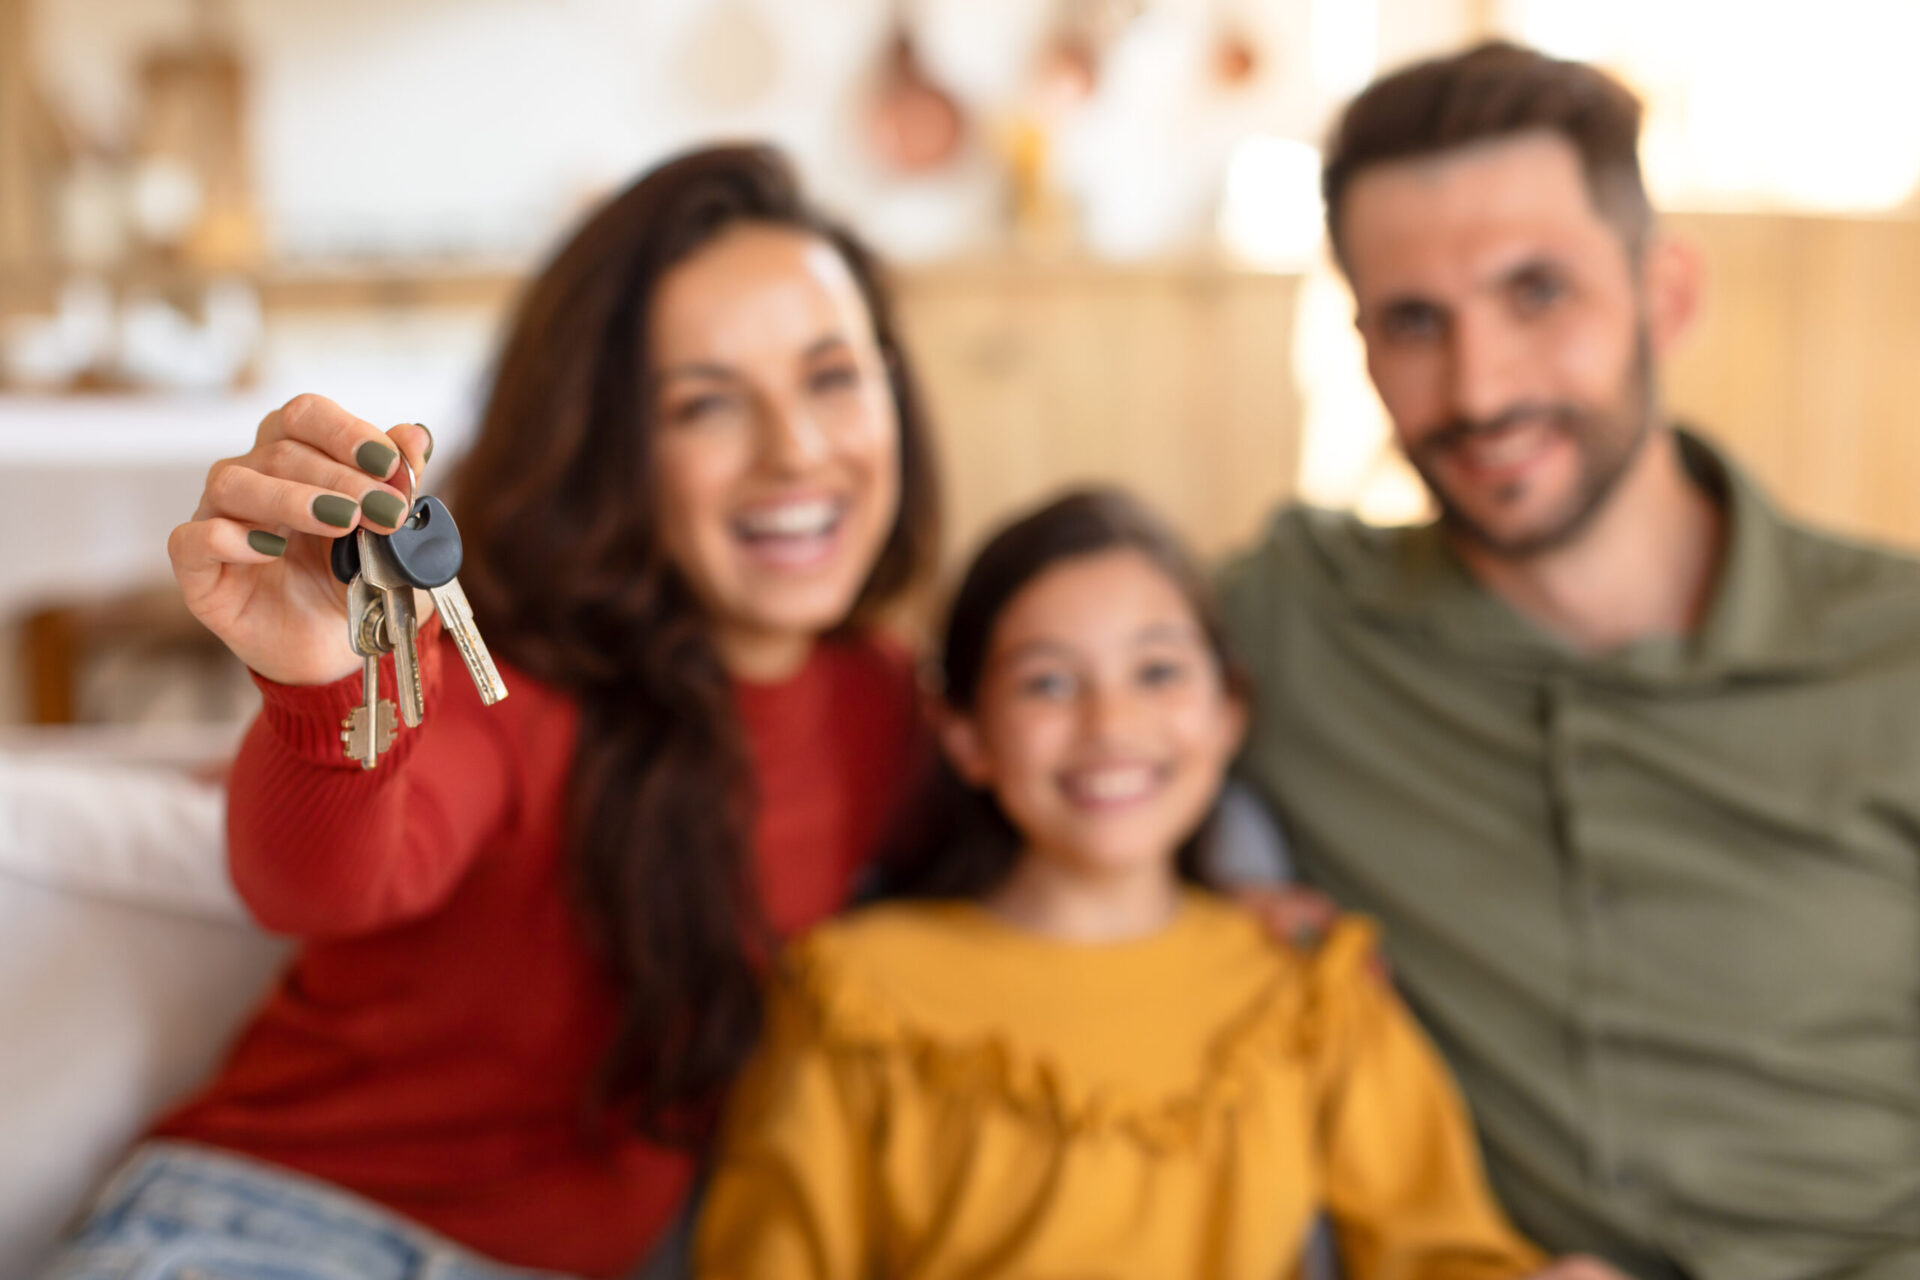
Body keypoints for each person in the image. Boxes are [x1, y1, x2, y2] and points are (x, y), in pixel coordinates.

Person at [39, 145, 940, 1280]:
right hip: (276, 1234)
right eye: (705, 402)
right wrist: (327, 685)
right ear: (614, 443)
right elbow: (319, 883)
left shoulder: (887, 707)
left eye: (833, 375)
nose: (797, 449)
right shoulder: (507, 673)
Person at [1220, 41, 1920, 1280]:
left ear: (1669, 296)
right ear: (1362, 347)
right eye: (1416, 322)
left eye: (1537, 293)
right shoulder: (1289, 623)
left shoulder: (1898, 652)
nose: (1482, 387)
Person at [693, 487, 1622, 1280]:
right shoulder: (857, 995)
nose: (1111, 722)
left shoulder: (1307, 992)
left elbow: (1437, 1251)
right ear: (967, 735)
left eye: (1158, 671)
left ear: (1228, 713)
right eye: (1048, 685)